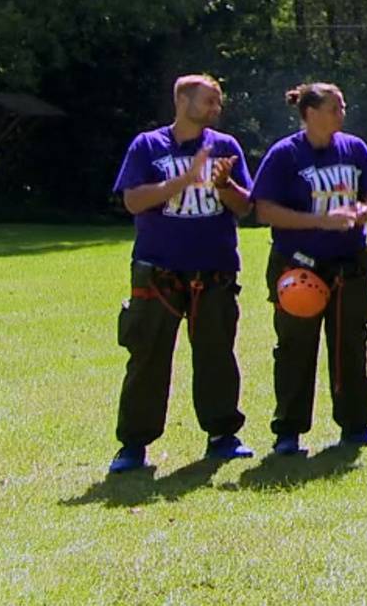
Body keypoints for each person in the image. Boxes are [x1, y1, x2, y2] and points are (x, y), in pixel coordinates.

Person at [107, 74, 255, 473]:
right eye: (208, 101)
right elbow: (134, 200)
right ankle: (133, 446)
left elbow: (245, 207)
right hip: (159, 272)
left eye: (217, 102)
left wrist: (223, 185)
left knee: (217, 356)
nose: (215, 109)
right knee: (148, 358)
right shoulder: (148, 146)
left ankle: (223, 435)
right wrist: (183, 180)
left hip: (215, 271)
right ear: (183, 100)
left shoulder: (225, 147)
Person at [250, 82, 367, 456]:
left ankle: (356, 425)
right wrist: (319, 222)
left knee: (351, 344)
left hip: (350, 264)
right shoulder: (285, 155)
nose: (341, 114)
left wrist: (362, 211)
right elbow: (263, 210)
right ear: (310, 112)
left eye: (342, 107)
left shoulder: (354, 148)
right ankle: (289, 432)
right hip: (299, 266)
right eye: (334, 107)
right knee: (295, 347)